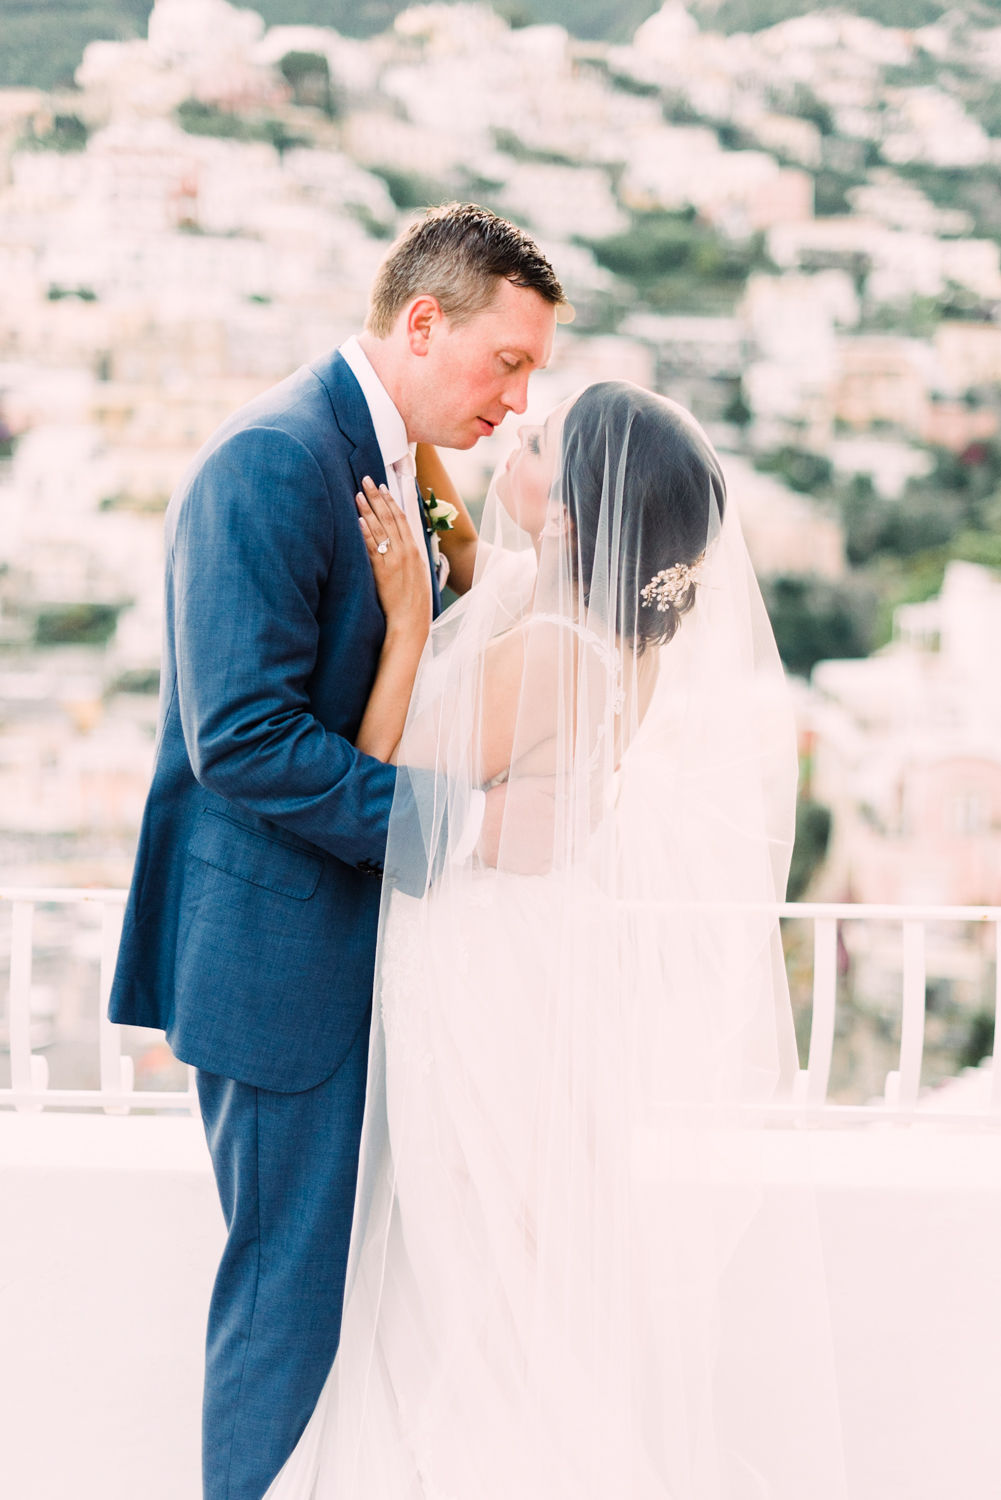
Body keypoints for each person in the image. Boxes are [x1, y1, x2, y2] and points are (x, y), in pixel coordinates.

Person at [263, 382, 848, 1500]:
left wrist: (401, 624)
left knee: (472, 1277)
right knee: (515, 1276)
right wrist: (420, 460)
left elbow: (381, 779)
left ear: (573, 517)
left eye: (531, 444)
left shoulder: (548, 654)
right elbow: (490, 571)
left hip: (480, 978)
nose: (510, 444)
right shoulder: (609, 637)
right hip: (534, 962)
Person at [107, 202, 570, 1500]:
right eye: (508, 362)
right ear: (422, 324)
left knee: (357, 1300)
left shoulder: (392, 463)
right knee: (289, 1299)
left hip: (367, 957)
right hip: (279, 963)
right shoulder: (269, 459)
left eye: (532, 372)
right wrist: (468, 826)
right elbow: (241, 738)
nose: (518, 398)